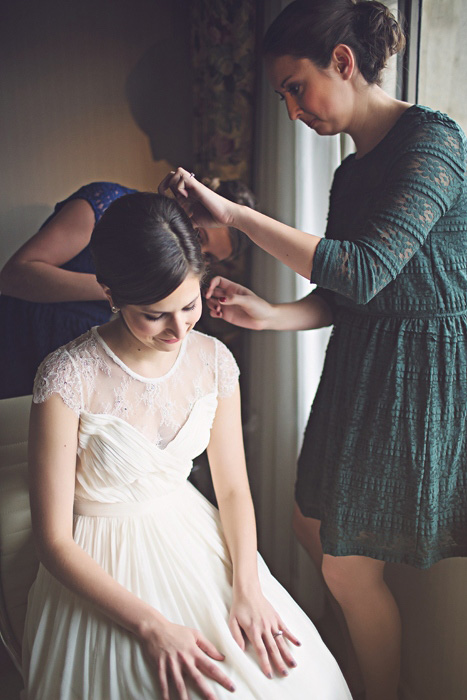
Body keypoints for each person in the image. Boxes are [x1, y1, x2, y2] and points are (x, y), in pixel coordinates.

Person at [158, 1, 467, 699]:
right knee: (307, 523)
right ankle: (357, 663)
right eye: (281, 98)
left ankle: (377, 688)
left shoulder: (432, 142)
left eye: (295, 88)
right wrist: (271, 315)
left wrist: (234, 213)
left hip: (414, 377)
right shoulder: (349, 174)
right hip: (359, 366)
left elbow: (359, 267)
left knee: (345, 569)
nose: (293, 111)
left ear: (343, 62)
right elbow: (342, 295)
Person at [22, 192, 351, 700]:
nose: (179, 329)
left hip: (193, 534)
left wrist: (248, 588)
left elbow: (235, 490)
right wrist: (152, 625)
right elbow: (54, 542)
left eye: (189, 304)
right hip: (99, 559)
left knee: (293, 679)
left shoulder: (215, 361)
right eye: (155, 315)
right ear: (110, 293)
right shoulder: (68, 376)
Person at [0, 179, 255, 400]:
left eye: (209, 257)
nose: (198, 253)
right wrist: (133, 289)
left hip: (82, 349)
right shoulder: (102, 205)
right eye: (200, 239)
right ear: (191, 202)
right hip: (21, 335)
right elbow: (14, 276)